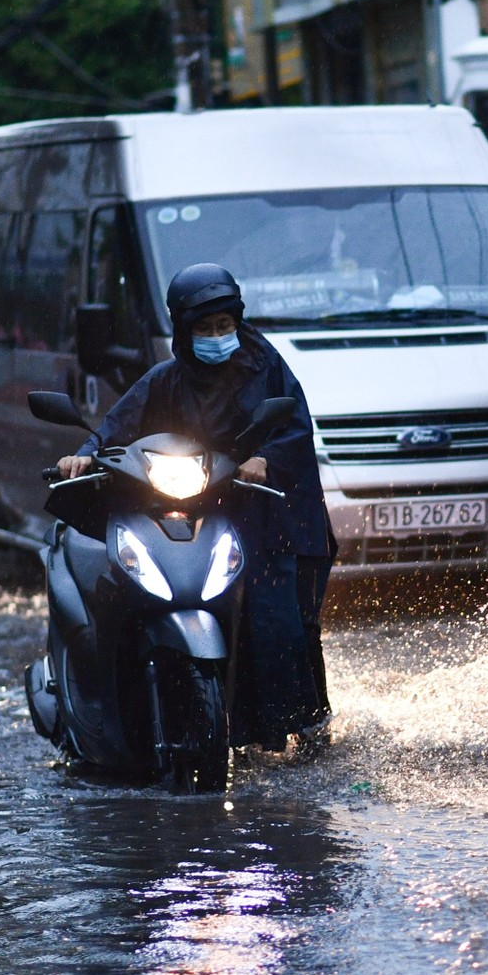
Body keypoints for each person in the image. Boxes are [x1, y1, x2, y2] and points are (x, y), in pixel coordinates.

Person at [55, 263, 335, 750]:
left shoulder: (263, 366)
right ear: (183, 332)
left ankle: (300, 727)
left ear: (237, 323)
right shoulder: (167, 378)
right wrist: (83, 455)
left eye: (223, 326)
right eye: (203, 329)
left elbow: (294, 427)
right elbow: (118, 425)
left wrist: (264, 459)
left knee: (273, 619)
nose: (215, 337)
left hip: (263, 515)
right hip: (200, 508)